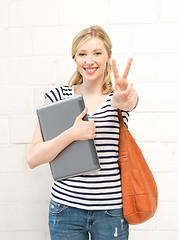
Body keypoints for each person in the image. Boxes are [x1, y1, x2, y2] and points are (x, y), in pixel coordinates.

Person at [27, 25, 138, 240]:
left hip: (111, 212)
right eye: (82, 54)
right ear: (75, 58)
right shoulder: (57, 96)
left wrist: (125, 96)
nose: (89, 61)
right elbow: (33, 158)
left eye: (97, 53)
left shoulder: (118, 98)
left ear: (108, 57)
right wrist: (72, 134)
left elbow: (128, 101)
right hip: (65, 209)